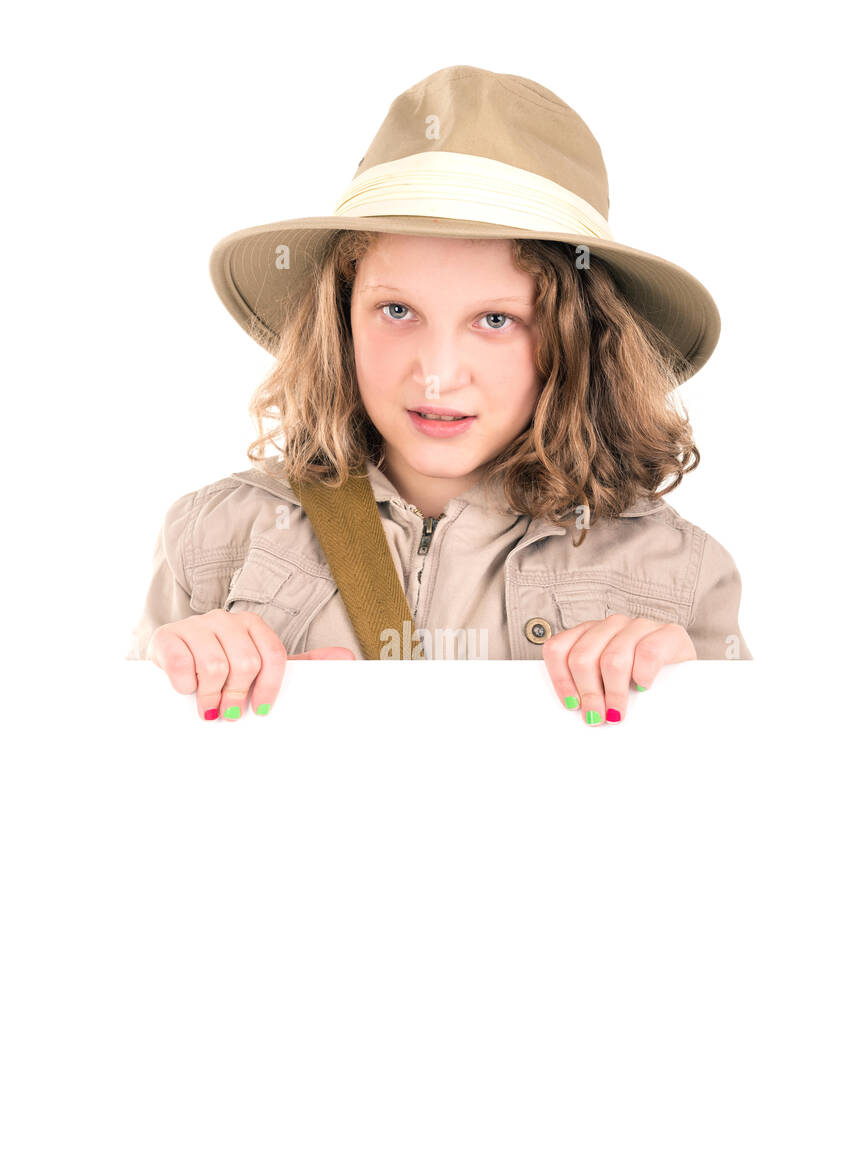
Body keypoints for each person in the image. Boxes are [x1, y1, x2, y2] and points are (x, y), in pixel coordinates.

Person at [127, 65, 751, 725]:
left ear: (577, 338)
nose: (437, 376)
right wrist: (179, 677)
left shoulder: (678, 570)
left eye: (494, 320)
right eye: (397, 311)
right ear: (338, 316)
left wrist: (686, 697)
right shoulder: (214, 536)